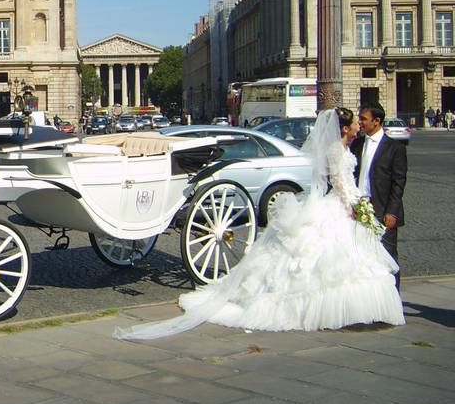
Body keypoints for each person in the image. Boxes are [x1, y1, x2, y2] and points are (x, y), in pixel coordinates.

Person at [114, 108, 404, 340]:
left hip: (340, 206)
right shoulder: (336, 150)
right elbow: (341, 185)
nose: (358, 124)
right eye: (356, 121)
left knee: (333, 261)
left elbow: (351, 180)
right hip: (342, 204)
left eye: (361, 120)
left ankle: (349, 308)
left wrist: (358, 205)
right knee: (323, 262)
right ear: (344, 128)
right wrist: (355, 206)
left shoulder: (349, 146)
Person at [351, 102, 407, 290]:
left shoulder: (395, 148)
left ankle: (393, 298)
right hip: (360, 208)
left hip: (383, 210)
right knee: (364, 256)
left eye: (363, 119)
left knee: (388, 256)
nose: (360, 122)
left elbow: (398, 183)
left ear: (377, 121)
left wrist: (392, 212)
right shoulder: (358, 144)